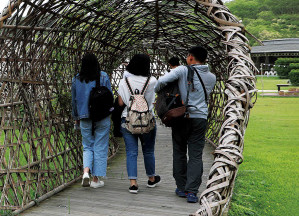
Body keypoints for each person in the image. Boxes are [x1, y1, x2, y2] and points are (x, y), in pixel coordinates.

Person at [155, 46, 217, 203]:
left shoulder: (182, 70)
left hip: (181, 117)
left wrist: (159, 92)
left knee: (179, 152)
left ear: (191, 57)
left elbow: (161, 82)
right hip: (200, 118)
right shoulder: (212, 77)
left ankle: (181, 187)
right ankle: (192, 191)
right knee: (196, 155)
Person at [117, 54, 160, 193]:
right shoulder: (152, 81)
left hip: (128, 119)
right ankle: (151, 179)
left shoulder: (124, 82)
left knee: (131, 152)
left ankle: (133, 183)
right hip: (147, 120)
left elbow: (120, 103)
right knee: (148, 151)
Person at [72, 53, 111, 188]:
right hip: (102, 116)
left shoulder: (77, 79)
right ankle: (95, 180)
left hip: (84, 116)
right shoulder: (103, 76)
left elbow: (74, 100)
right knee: (100, 146)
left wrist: (76, 117)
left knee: (87, 146)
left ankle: (85, 172)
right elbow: (109, 96)